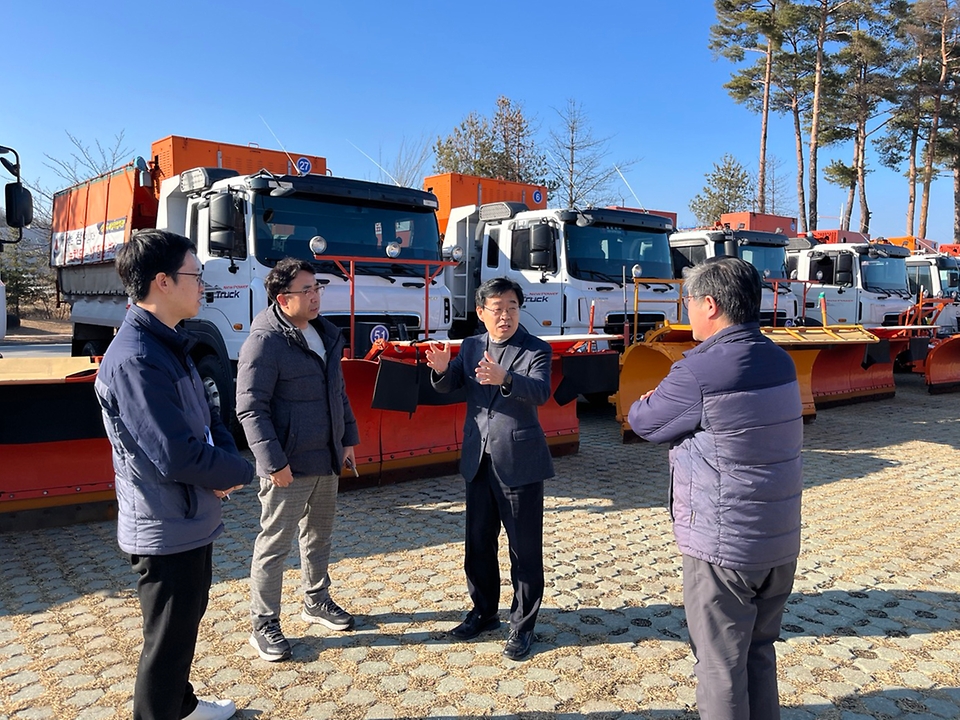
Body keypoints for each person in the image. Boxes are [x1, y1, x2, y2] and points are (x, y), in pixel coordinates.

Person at [627, 257, 803, 720]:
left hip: (723, 546)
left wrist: (646, 401)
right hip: (779, 539)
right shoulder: (780, 360)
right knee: (759, 653)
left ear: (710, 304)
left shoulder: (699, 371)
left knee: (720, 665)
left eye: (687, 302)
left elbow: (645, 421)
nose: (684, 312)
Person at [94, 229, 254, 720]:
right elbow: (174, 453)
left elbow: (210, 419)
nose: (202, 284)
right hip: (164, 525)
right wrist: (242, 472)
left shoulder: (170, 342)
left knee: (182, 627)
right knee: (164, 643)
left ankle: (181, 706)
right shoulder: (138, 358)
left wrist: (227, 464)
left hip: (188, 515)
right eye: (195, 275)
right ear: (162, 282)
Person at [236, 257, 359, 662]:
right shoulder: (265, 341)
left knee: (319, 537)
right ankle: (263, 623)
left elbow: (337, 393)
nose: (315, 297)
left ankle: (316, 600)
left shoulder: (324, 333)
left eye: (317, 288)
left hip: (324, 459)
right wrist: (273, 462)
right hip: (287, 466)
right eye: (306, 291)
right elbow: (251, 408)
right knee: (274, 545)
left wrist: (347, 439)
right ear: (281, 298)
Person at [425, 277, 553, 660]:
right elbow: (452, 387)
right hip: (477, 460)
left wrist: (506, 378)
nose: (505, 316)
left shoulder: (536, 348)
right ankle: (483, 612)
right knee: (478, 543)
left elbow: (541, 391)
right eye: (497, 309)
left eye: (512, 307)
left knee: (524, 549)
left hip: (519, 463)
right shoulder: (470, 346)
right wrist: (443, 371)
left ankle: (523, 625)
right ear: (480, 313)